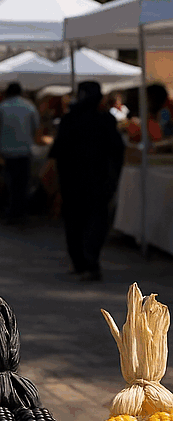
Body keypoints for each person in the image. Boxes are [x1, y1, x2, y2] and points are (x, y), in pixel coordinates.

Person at [48, 81, 124, 281]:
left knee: (75, 222)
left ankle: (81, 262)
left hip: (74, 180)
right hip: (97, 181)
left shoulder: (70, 119)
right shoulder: (104, 120)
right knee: (94, 222)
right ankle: (89, 262)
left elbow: (57, 152)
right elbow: (117, 150)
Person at [0, 83, 40, 223]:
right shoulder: (29, 107)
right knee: (23, 184)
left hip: (7, 152)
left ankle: (12, 212)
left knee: (10, 184)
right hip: (25, 151)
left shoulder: (1, 108)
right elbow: (36, 128)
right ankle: (21, 212)